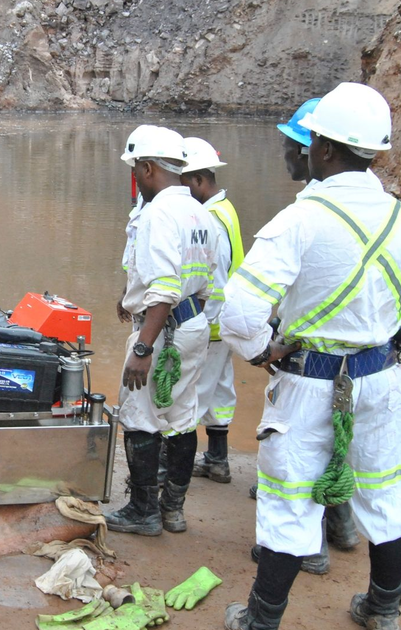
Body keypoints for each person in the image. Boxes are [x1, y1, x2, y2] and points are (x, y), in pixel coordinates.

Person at [220, 83, 401, 630]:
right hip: (382, 380)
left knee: (289, 502)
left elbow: (239, 312)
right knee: (385, 498)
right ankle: (383, 610)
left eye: (311, 141)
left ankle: (261, 620)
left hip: (310, 383)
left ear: (328, 149)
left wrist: (264, 350)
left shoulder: (299, 220)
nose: (306, 150)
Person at [244, 99, 364, 577]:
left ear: (314, 147)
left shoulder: (311, 210)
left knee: (305, 446)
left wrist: (264, 343)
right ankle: (344, 525)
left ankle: (309, 547)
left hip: (315, 353)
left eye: (291, 145)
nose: (286, 155)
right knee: (338, 437)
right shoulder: (361, 205)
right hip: (359, 355)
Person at [107, 125, 222, 537]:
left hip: (161, 330)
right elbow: (209, 282)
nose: (136, 177)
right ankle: (173, 509)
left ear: (149, 167)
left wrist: (143, 347)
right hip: (192, 326)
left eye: (137, 169)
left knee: (139, 417)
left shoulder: (157, 214)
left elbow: (164, 288)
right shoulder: (201, 213)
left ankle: (143, 511)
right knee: (182, 417)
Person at [178, 137, 243, 484]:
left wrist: (199, 321)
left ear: (199, 181)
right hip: (226, 322)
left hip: (212, 323)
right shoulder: (225, 209)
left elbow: (214, 278)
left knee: (192, 395)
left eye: (184, 184)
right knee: (219, 390)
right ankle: (217, 459)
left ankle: (173, 468)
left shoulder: (209, 219)